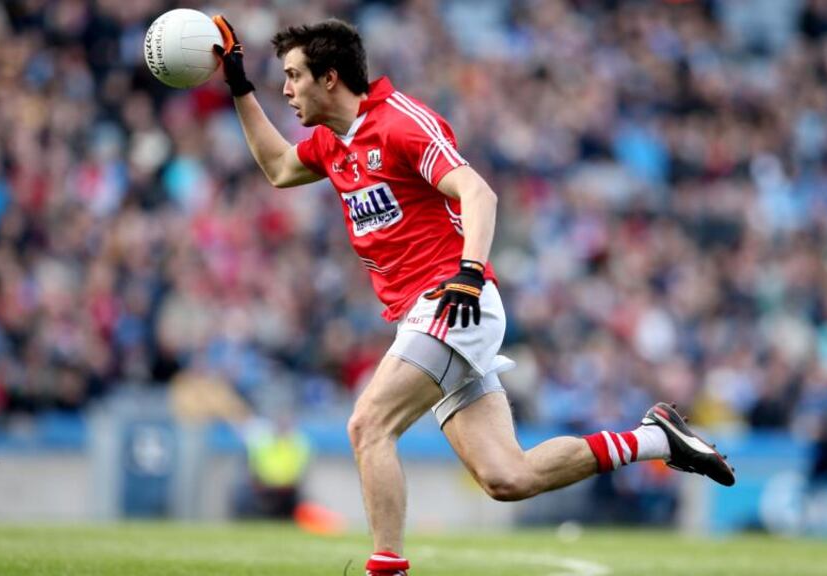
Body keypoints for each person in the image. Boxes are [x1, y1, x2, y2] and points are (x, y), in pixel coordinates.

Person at [210, 16, 735, 575]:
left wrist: (469, 270)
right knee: (508, 477)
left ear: (331, 78)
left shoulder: (399, 123)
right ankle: (654, 439)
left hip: (453, 298)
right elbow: (276, 167)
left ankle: (386, 568)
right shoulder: (329, 145)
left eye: (293, 76)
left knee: (368, 425)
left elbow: (477, 192)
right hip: (426, 312)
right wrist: (238, 87)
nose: (286, 90)